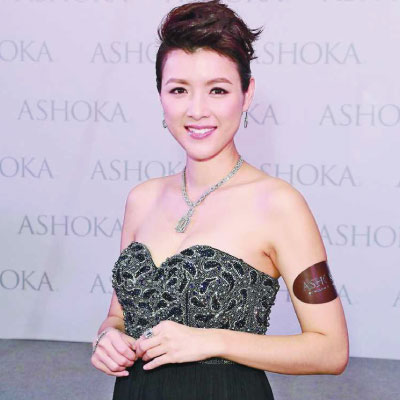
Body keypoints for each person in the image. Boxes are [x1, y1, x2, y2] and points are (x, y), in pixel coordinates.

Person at [91, 1, 349, 399]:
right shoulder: (141, 199)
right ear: (160, 95)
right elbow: (119, 316)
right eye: (179, 90)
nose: (197, 111)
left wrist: (212, 341)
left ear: (247, 95)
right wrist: (108, 336)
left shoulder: (279, 205)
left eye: (217, 90)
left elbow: (331, 350)